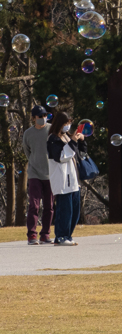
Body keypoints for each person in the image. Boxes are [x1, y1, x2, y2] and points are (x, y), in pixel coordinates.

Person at [45, 112, 85, 246]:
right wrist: (73, 141)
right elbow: (61, 157)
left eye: (69, 123)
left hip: (74, 180)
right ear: (59, 124)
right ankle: (60, 237)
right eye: (65, 123)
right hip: (62, 181)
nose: (68, 126)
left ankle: (68, 235)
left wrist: (81, 141)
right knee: (65, 210)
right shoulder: (52, 139)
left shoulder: (67, 137)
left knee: (74, 211)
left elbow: (80, 154)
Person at [23, 105, 53, 245]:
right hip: (34, 172)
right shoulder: (28, 133)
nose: (43, 118)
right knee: (34, 205)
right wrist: (35, 161)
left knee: (49, 206)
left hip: (50, 173)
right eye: (40, 116)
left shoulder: (52, 129)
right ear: (34, 118)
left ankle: (45, 234)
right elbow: (27, 151)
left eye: (45, 115)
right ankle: (32, 235)